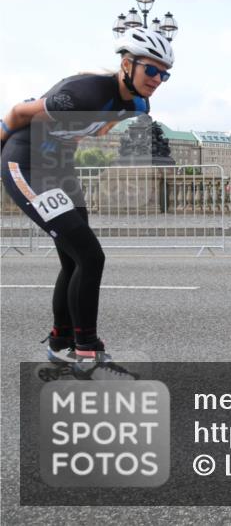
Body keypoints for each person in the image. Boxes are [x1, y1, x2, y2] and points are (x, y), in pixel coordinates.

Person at [1, 28, 174, 378]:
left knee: (74, 259)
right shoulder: (81, 94)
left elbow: (98, 128)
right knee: (91, 255)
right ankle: (86, 349)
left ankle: (60, 341)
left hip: (57, 168)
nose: (157, 79)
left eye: (164, 73)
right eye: (151, 70)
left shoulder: (139, 104)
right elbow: (19, 113)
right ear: (127, 64)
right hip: (25, 162)